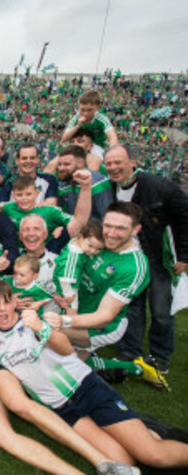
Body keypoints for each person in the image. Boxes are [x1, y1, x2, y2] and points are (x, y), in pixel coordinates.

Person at [0, 280, 188, 471]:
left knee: (152, 455)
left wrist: (40, 328)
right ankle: (148, 430)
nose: (1, 309)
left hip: (87, 389)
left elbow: (66, 348)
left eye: (5, 302)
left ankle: (152, 437)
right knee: (123, 461)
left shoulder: (31, 321)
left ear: (14, 302)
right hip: (64, 410)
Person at [44, 202, 166, 388]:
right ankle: (136, 368)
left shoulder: (133, 267)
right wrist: (65, 297)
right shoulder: (98, 239)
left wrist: (65, 320)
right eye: (108, 225)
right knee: (67, 366)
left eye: (120, 228)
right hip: (75, 312)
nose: (110, 233)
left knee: (51, 360)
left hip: (100, 327)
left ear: (136, 229)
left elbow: (104, 317)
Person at [105, 145, 188, 373]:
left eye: (117, 162)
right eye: (109, 164)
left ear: (133, 161)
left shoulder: (160, 187)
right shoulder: (108, 188)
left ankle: (161, 357)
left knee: (161, 310)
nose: (113, 168)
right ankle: (130, 351)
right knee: (132, 306)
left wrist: (183, 255)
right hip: (129, 260)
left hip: (158, 259)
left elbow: (184, 217)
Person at [52, 145, 112, 220]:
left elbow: (108, 218)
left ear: (80, 164)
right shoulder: (63, 184)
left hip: (95, 229)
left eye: (66, 164)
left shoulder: (99, 185)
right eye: (59, 164)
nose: (61, 168)